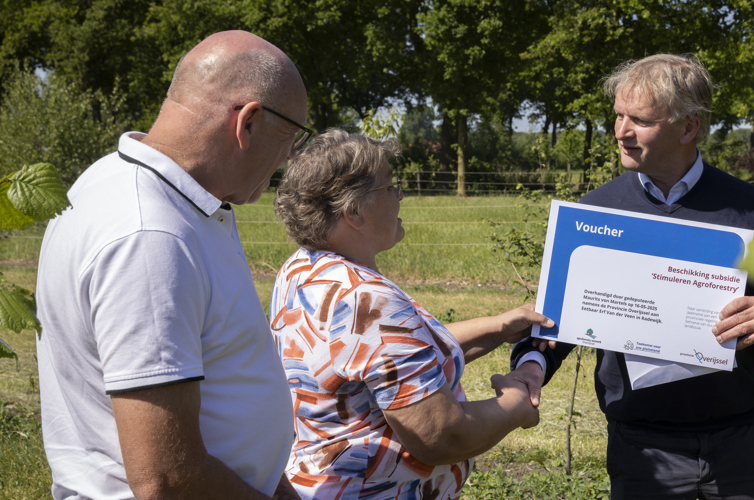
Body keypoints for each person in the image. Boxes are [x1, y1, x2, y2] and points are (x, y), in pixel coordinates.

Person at [509, 54, 754, 500]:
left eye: (640, 120)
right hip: (642, 450)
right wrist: (532, 367)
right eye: (618, 116)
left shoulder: (750, 209)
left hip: (741, 445)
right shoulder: (596, 212)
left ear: (688, 127)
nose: (621, 132)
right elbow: (553, 320)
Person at [35, 31, 308, 499]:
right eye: (291, 138)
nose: (288, 159)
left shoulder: (164, 197)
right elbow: (167, 480)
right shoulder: (150, 236)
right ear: (249, 123)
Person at [269, 128, 553, 499]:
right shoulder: (366, 300)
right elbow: (441, 435)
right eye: (390, 187)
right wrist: (515, 406)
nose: (401, 195)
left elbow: (391, 360)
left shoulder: (303, 269)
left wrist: (498, 328)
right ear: (353, 209)